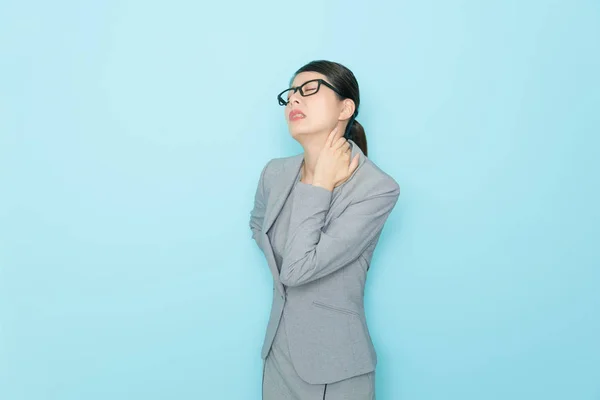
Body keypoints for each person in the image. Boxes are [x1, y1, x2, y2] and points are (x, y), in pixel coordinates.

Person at [249, 60, 400, 400]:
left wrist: (319, 185)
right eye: (291, 93)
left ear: (346, 108)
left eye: (310, 90)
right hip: (277, 354)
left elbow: (298, 269)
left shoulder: (377, 188)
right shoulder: (274, 173)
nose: (295, 100)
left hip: (336, 364)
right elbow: (258, 224)